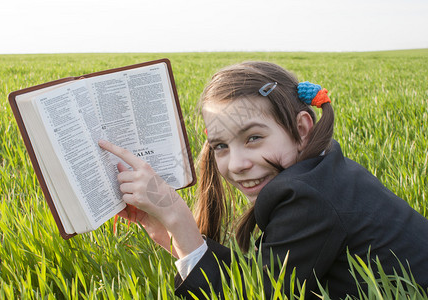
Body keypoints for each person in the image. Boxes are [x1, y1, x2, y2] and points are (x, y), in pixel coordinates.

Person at [98, 61, 428, 299]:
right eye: (221, 146)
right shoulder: (324, 172)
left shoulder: (306, 196)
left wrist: (178, 218)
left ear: (301, 129)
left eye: (254, 138)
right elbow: (262, 278)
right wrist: (168, 232)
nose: (237, 164)